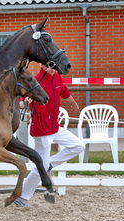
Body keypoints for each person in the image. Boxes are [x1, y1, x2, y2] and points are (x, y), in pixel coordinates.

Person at [14, 64, 85, 207]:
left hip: (55, 127)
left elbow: (63, 90)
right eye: (49, 65)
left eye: (54, 66)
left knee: (78, 146)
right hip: (41, 130)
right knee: (41, 166)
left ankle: (51, 164)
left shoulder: (57, 77)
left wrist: (72, 102)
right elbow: (21, 98)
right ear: (42, 65)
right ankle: (23, 197)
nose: (53, 68)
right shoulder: (36, 80)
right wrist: (23, 103)